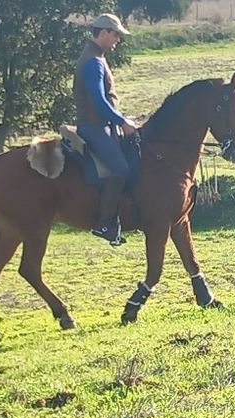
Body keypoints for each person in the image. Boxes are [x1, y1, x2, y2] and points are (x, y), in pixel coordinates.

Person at [73, 13, 138, 245]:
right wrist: (122, 121)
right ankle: (104, 222)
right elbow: (99, 102)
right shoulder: (93, 62)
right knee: (121, 169)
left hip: (100, 125)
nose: (117, 40)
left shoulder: (95, 57)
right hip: (94, 127)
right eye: (115, 35)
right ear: (103, 33)